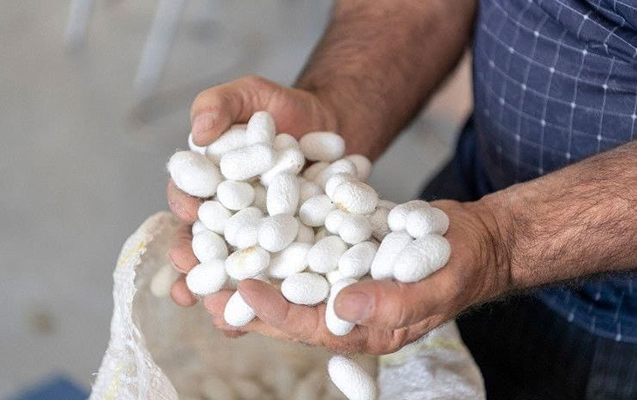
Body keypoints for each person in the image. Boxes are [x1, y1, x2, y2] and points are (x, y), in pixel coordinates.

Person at [166, 1, 637, 398]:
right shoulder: (429, 233)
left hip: (615, 326)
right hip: (471, 203)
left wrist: (504, 244)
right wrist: (337, 106)